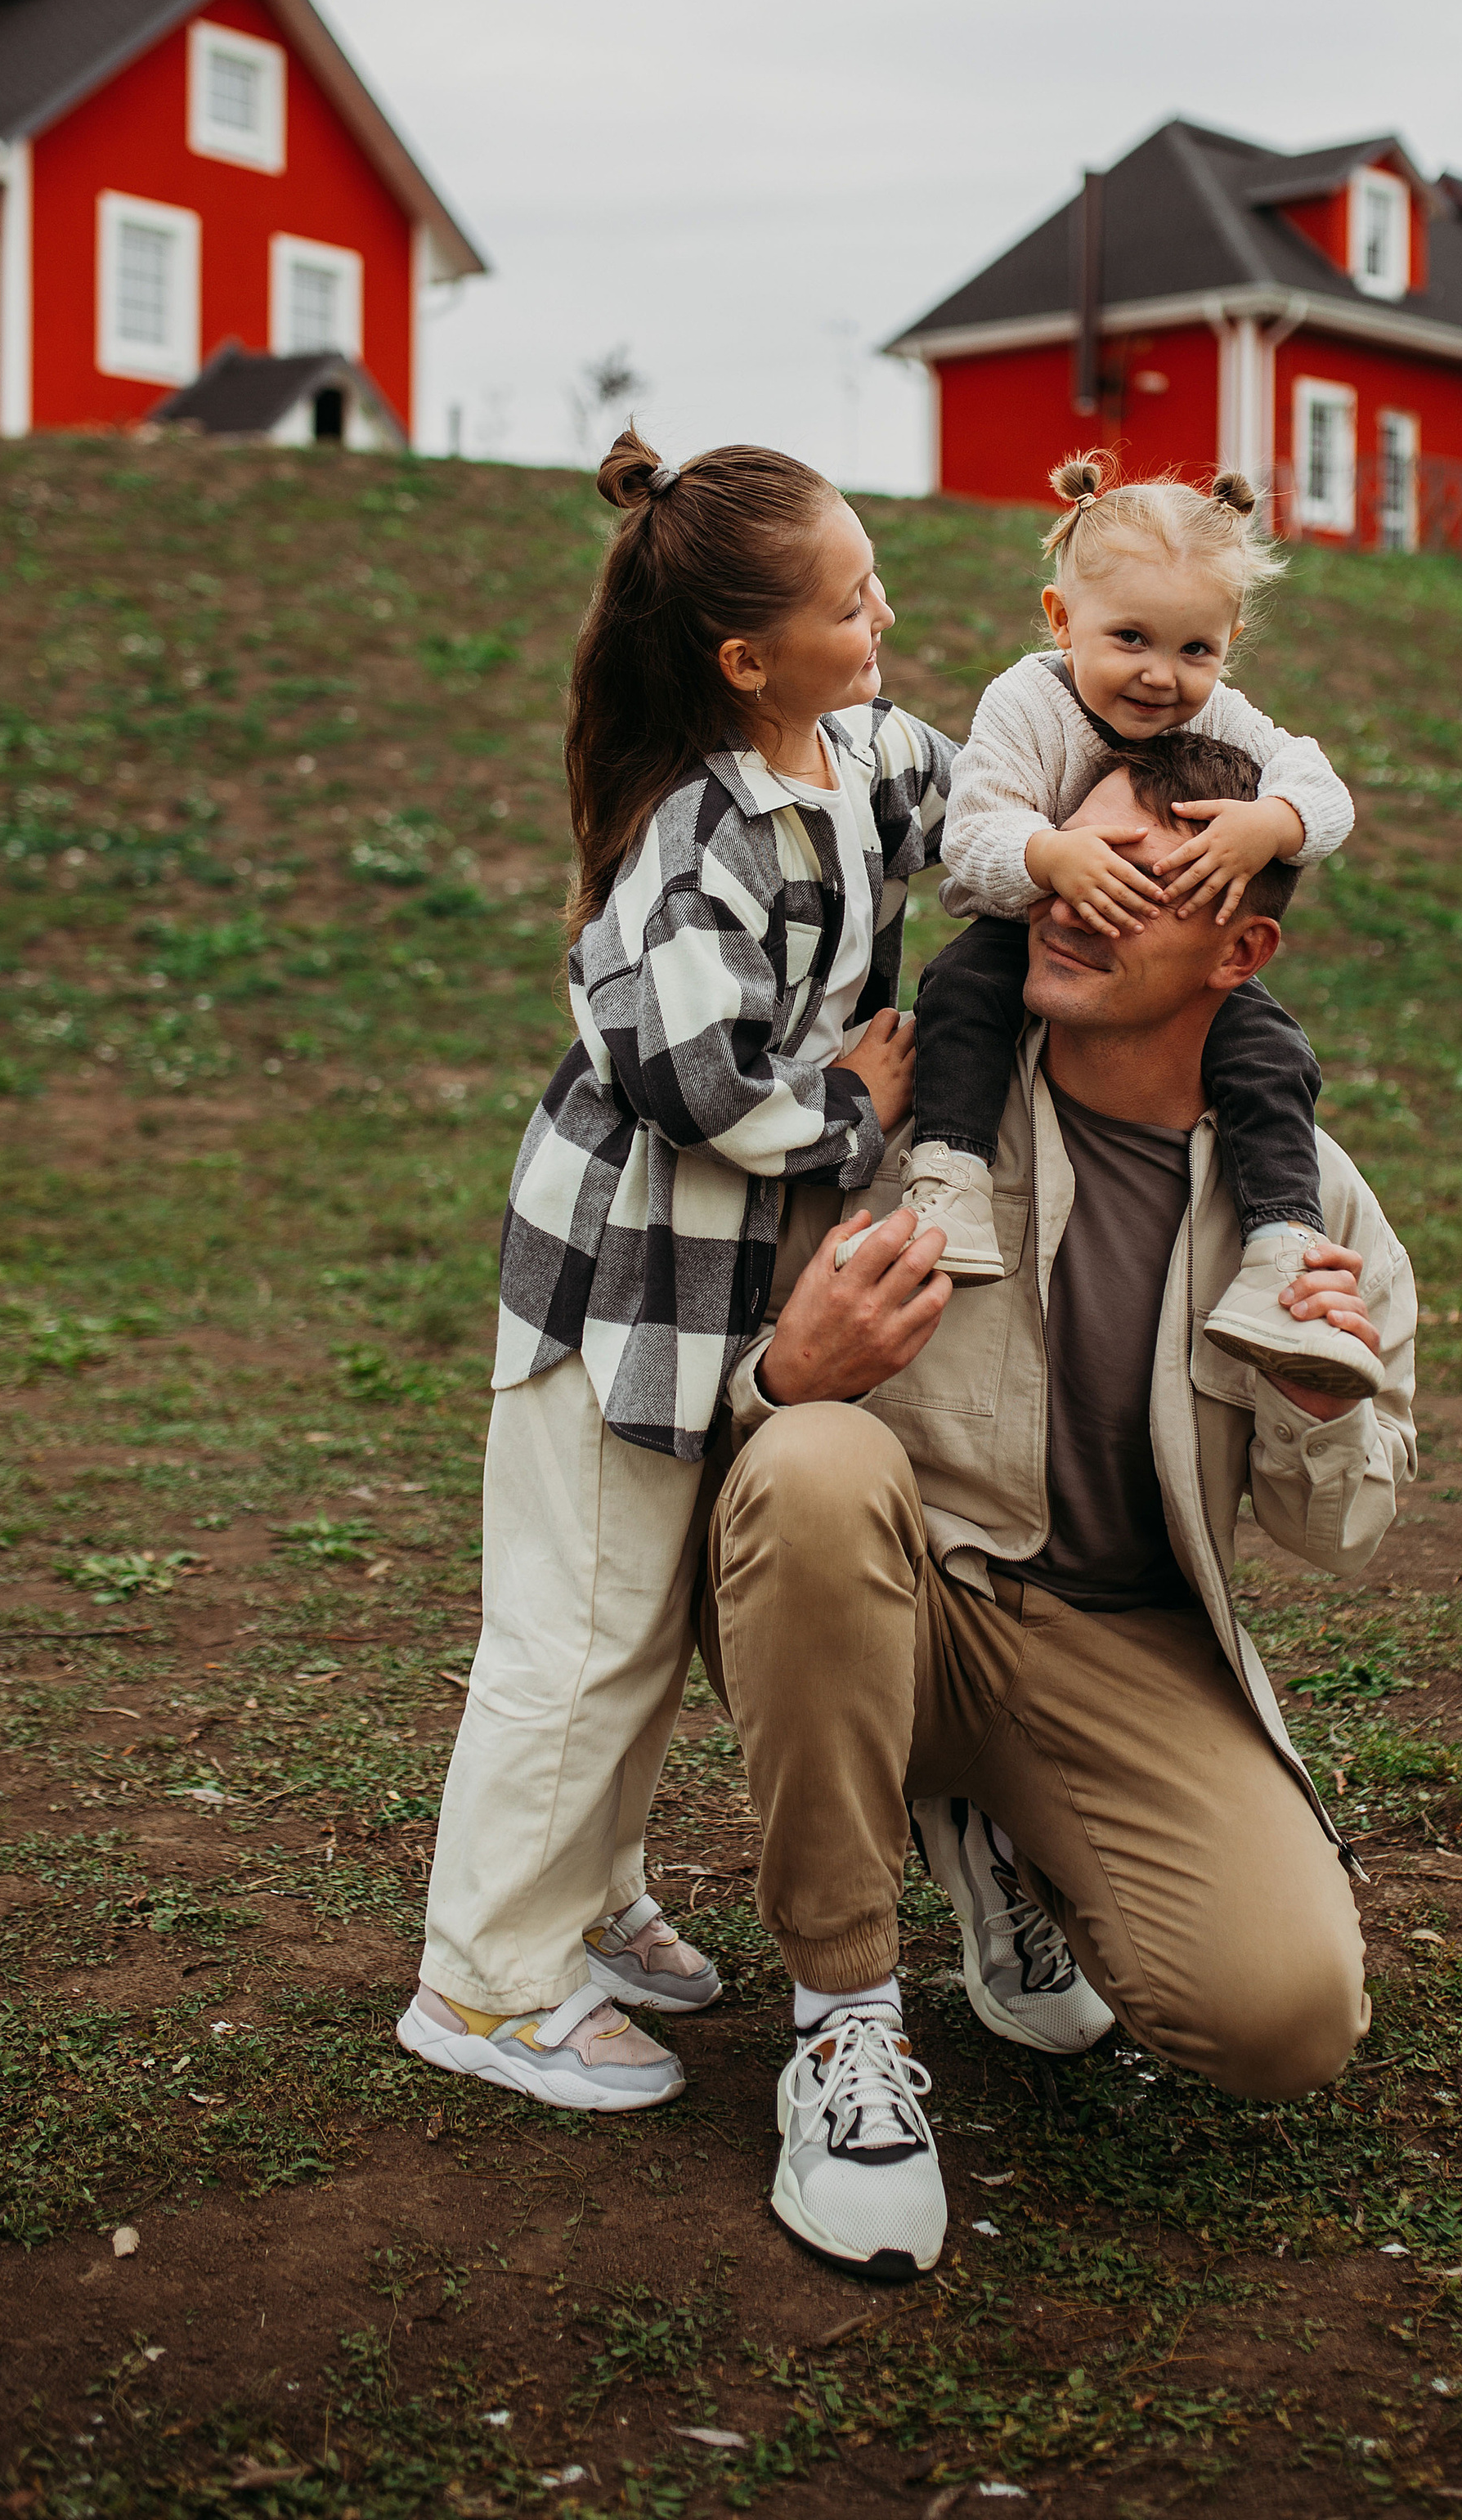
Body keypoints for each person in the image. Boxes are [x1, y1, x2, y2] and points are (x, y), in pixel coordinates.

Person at [700, 733, 1417, 2279]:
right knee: (816, 1463)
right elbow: (710, 1421)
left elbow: (1342, 1537)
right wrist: (785, 1375)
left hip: (1123, 1649)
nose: (1078, 900)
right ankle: (843, 2020)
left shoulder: (1315, 1211)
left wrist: (1319, 1411)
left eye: (1144, 881)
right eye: (1066, 861)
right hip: (896, 1599)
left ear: (1242, 951)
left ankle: (998, 1837)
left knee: (1284, 2021)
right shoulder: (904, 1125)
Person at [397, 426, 953, 2114]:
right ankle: (486, 1980)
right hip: (618, 1284)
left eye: (871, 583)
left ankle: (590, 1894)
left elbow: (978, 795)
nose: (882, 617)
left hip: (704, 1280)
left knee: (635, 1615)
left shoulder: (854, 756)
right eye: (849, 604)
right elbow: (687, 1075)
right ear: (745, 659)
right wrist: (851, 1112)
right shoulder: (696, 836)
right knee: (575, 1634)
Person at [901, 454, 1376, 1402]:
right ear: (1061, 618)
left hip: (1163, 955)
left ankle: (1282, 1240)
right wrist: (1049, 855)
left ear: (1228, 645)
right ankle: (950, 1178)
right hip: (1026, 921)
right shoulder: (1026, 703)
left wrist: (1273, 822)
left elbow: (1322, 787)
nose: (1162, 677)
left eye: (1196, 650)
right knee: (960, 995)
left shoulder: (1226, 717)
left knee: (1270, 1052)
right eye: (1130, 639)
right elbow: (972, 834)